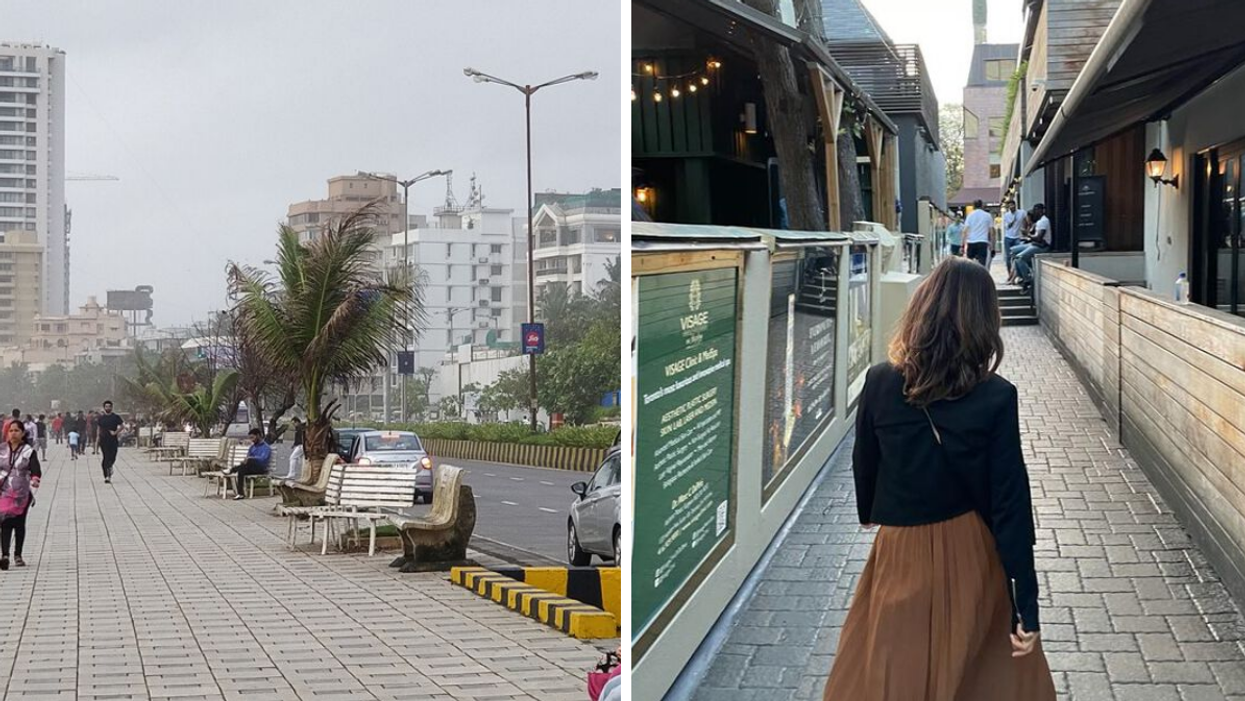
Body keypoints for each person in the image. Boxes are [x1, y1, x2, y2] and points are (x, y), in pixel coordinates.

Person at [822, 258, 1054, 701]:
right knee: (975, 670)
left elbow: (864, 462)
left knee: (891, 666)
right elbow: (1010, 506)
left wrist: (871, 511)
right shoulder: (996, 396)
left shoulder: (879, 381)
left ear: (922, 308)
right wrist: (1027, 603)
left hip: (900, 548)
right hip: (971, 548)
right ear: (985, 320)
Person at [0, 420, 42, 570]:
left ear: (23, 433)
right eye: (11, 431)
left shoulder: (28, 451)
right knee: (4, 523)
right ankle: (5, 555)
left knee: (19, 523)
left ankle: (18, 555)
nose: (13, 433)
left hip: (21, 494)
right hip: (4, 492)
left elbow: (35, 467)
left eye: (17, 430)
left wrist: (35, 478)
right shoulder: (2, 449)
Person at [1010, 203, 1052, 291]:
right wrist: (1028, 239)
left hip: (1042, 246)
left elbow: (1039, 238)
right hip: (1035, 243)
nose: (1034, 213)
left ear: (1041, 211)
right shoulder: (1038, 222)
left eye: (1036, 210)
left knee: (1019, 258)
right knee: (1013, 251)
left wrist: (1027, 234)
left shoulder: (1044, 221)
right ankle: (1022, 275)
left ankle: (1027, 279)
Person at [227, 428, 271, 500]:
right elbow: (247, 457)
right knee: (241, 470)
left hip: (260, 468)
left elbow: (263, 458)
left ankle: (231, 470)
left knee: (249, 462)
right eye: (250, 438)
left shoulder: (266, 447)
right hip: (250, 467)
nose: (252, 440)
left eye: (253, 437)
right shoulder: (252, 447)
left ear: (258, 436)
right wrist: (245, 461)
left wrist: (251, 458)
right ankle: (240, 494)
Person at [96, 400, 124, 484]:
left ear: (111, 407)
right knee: (106, 458)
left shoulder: (115, 417)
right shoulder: (101, 418)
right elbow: (98, 429)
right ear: (104, 408)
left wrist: (115, 432)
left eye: (109, 406)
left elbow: (122, 426)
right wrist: (97, 441)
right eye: (106, 406)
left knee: (112, 457)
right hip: (103, 440)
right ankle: (107, 476)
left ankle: (110, 467)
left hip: (113, 440)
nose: (107, 408)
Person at [962, 200, 994, 266]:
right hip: (983, 242)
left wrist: (962, 245)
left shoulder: (970, 215)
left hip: (971, 242)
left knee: (970, 264)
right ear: (982, 205)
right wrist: (992, 246)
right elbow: (992, 232)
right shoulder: (988, 215)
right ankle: (981, 275)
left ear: (973, 206)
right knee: (982, 263)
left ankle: (971, 275)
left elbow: (965, 231)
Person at [1003, 201, 1027, 284]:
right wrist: (1012, 222)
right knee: (1008, 258)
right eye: (1010, 206)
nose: (1011, 207)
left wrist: (1025, 230)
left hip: (1018, 237)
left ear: (1015, 205)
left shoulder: (1022, 212)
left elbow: (1026, 221)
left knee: (1017, 256)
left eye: (1012, 205)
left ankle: (1015, 276)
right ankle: (1009, 275)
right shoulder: (1006, 215)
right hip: (1008, 237)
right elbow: (1006, 227)